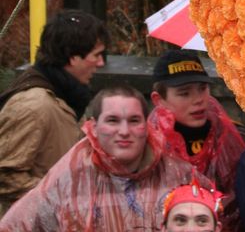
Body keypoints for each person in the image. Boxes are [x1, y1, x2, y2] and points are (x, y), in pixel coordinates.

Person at [0, 84, 211, 231]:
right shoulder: (69, 179)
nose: (124, 131)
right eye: (113, 120)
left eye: (134, 120)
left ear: (147, 127)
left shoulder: (179, 176)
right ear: (93, 127)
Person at [0, 8, 108, 216]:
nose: (101, 63)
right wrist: (60, 198)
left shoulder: (66, 98)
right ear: (72, 57)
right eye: (96, 55)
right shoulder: (34, 105)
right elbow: (4, 174)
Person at [148, 48, 245, 232]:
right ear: (158, 99)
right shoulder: (146, 145)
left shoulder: (233, 136)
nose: (199, 100)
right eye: (185, 93)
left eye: (202, 89)